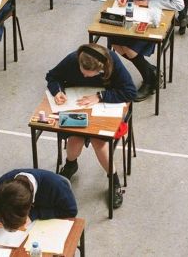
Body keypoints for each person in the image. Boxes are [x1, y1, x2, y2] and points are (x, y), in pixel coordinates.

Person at [46, 43, 136, 209]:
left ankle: (114, 179)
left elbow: (130, 92)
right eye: (82, 73)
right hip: (79, 105)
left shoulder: (113, 61)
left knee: (98, 142)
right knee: (74, 139)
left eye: (89, 75)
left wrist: (100, 96)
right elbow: (52, 76)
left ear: (101, 69)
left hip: (107, 108)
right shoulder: (73, 59)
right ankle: (71, 165)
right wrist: (57, 91)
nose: (85, 77)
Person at [111, 0, 183, 101]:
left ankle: (149, 81)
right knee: (115, 44)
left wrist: (149, 2)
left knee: (129, 49)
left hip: (152, 20)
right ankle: (152, 72)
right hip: (133, 17)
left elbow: (179, 4)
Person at [0, 168, 77, 231]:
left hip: (46, 231)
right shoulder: (5, 182)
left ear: (31, 205)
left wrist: (35, 214)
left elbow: (71, 211)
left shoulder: (57, 185)